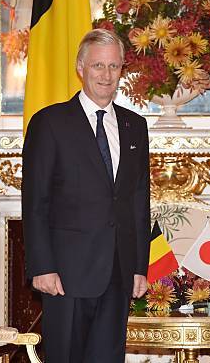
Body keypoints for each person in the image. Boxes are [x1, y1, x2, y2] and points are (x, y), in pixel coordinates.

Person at [22, 28, 150, 363]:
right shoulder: (49, 123)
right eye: (98, 66)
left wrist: (139, 267)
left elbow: (138, 201)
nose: (107, 76)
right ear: (80, 68)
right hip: (65, 274)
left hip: (118, 273)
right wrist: (42, 266)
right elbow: (36, 202)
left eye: (114, 67)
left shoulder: (135, 126)